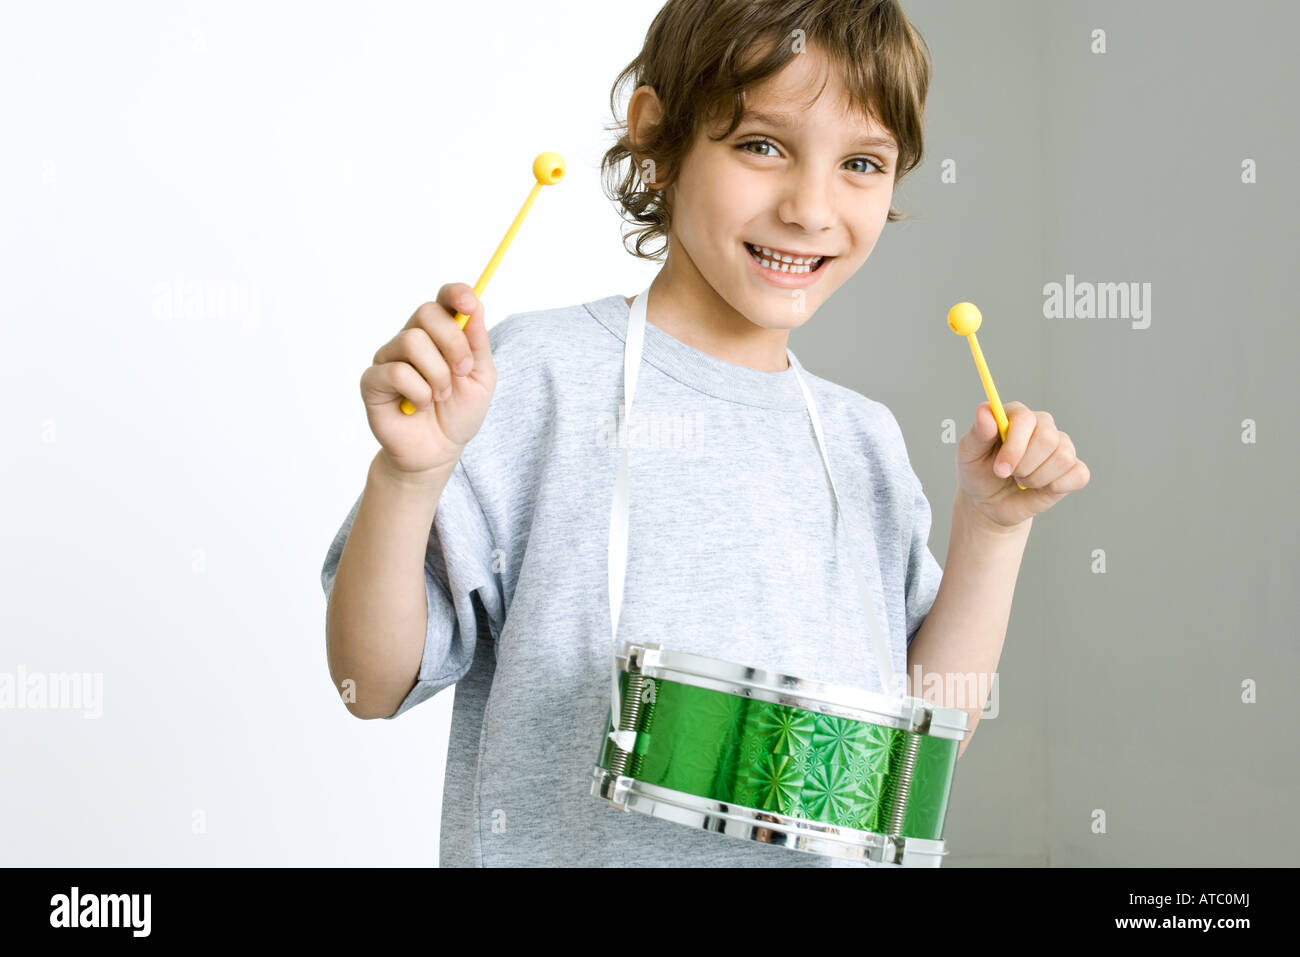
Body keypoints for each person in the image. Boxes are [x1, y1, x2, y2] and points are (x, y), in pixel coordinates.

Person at [320, 0, 1090, 867]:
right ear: (657, 135)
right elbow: (370, 684)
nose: (810, 208)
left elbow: (907, 755)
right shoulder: (536, 377)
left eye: (862, 163)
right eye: (763, 146)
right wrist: (408, 478)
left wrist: (993, 528)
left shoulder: (862, 440)